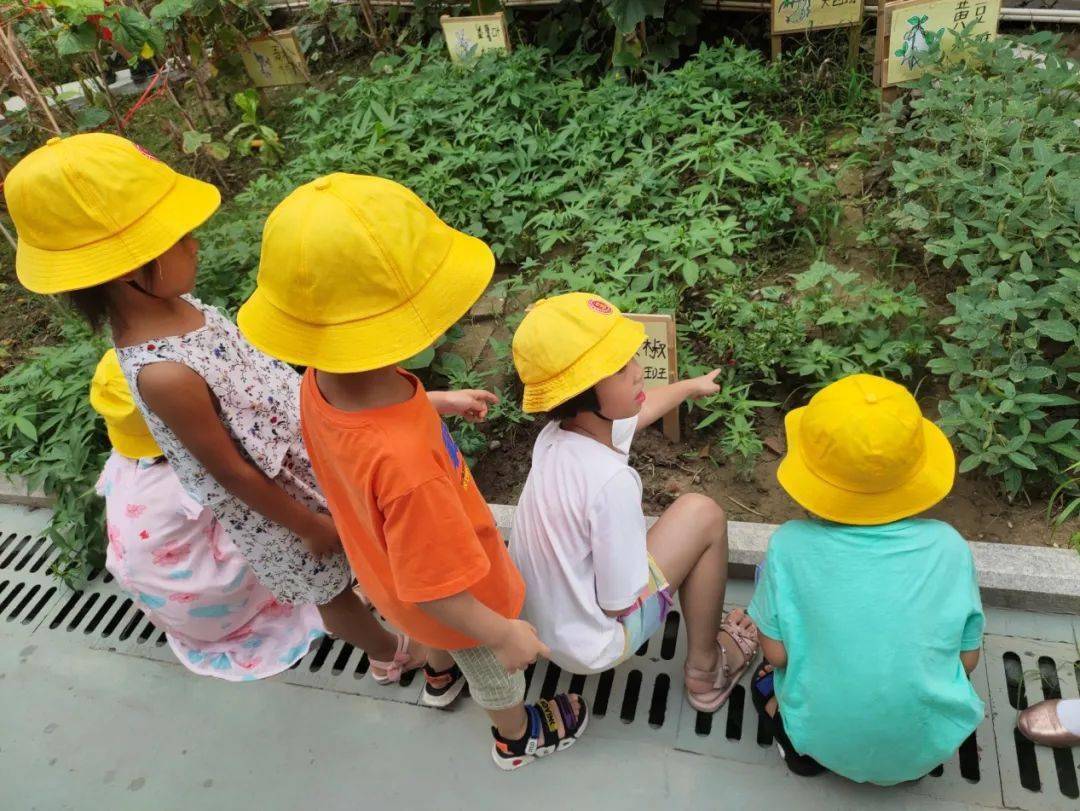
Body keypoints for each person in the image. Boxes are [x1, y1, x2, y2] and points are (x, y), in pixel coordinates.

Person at [6, 134, 494, 687]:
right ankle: (388, 650)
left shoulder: (177, 306)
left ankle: (398, 623)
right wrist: (307, 526)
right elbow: (229, 470)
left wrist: (423, 403)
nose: (194, 244)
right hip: (281, 505)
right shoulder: (163, 371)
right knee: (330, 587)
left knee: (372, 557)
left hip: (308, 456)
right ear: (125, 269)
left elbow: (277, 392)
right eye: (179, 238)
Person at [236, 173, 588, 769]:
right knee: (491, 670)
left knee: (435, 637)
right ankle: (515, 736)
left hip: (385, 576)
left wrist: (438, 402)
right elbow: (441, 589)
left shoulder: (320, 384)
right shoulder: (408, 471)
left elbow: (367, 434)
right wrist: (502, 634)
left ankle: (437, 679)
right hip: (458, 599)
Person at [508, 292, 758, 712]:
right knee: (704, 515)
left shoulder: (559, 436)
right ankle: (706, 670)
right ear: (583, 392)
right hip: (593, 643)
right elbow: (619, 601)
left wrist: (686, 387)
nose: (639, 373)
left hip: (537, 624)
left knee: (690, 519)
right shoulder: (611, 483)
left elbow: (632, 417)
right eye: (622, 368)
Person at [747, 373, 985, 784]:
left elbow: (778, 656)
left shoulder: (788, 548)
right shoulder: (950, 547)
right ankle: (904, 757)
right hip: (923, 747)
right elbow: (967, 659)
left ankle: (802, 753)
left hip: (822, 737)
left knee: (764, 684)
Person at [91, 348, 324, 680]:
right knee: (277, 505)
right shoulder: (192, 471)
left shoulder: (124, 463)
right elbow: (253, 494)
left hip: (169, 605)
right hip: (213, 598)